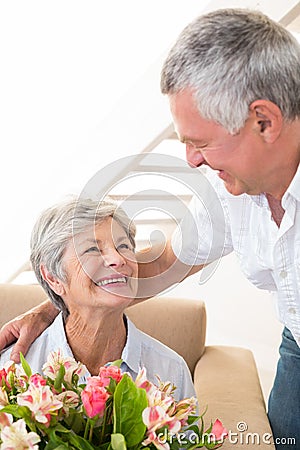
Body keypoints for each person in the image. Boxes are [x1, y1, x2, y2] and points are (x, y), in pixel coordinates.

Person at [1, 7, 300, 448]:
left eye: (200, 142)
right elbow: (160, 263)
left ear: (264, 121)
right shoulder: (232, 194)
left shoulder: (167, 371)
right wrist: (55, 306)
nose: (192, 160)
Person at [0, 197, 195, 402]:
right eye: (92, 249)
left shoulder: (172, 372)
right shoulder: (14, 370)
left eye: (123, 246)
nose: (118, 260)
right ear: (52, 277)